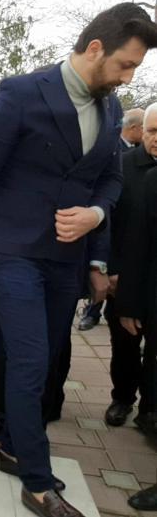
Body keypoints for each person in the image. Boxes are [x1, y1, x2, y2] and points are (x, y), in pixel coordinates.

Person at [0, 3, 157, 517]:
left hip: (67, 258)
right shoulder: (21, 92)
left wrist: (95, 214)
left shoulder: (111, 107)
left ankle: (13, 445)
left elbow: (109, 179)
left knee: (31, 358)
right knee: (30, 358)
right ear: (94, 49)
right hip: (12, 250)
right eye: (125, 64)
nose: (129, 75)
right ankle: (37, 482)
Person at [109, 104, 157, 430]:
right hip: (124, 276)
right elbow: (108, 224)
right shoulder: (122, 167)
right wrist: (108, 269)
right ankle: (122, 398)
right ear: (141, 131)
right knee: (124, 345)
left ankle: (149, 409)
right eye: (153, 131)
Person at [78, 106, 145, 332]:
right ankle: (92, 311)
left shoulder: (138, 152)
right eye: (147, 129)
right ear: (135, 128)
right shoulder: (111, 149)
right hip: (105, 221)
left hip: (122, 226)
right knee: (99, 279)